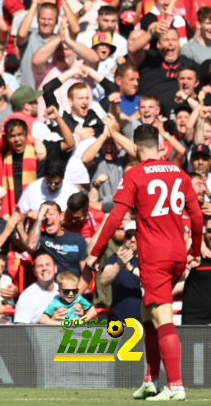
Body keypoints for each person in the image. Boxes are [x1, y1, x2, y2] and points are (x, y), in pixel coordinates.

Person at [88, 124, 203, 401]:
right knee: (147, 316)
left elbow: (116, 217)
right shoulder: (180, 173)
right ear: (161, 146)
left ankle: (175, 385)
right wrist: (195, 249)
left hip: (155, 256)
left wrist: (97, 250)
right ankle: (150, 381)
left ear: (136, 148)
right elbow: (197, 216)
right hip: (176, 254)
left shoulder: (135, 174)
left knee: (162, 317)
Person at [25, 201, 88, 282]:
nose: (47, 218)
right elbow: (31, 246)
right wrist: (40, 216)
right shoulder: (40, 238)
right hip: (49, 290)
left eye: (51, 214)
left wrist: (75, 294)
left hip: (72, 289)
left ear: (61, 217)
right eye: (44, 215)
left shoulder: (77, 238)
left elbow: (86, 274)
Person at [100, 221, 142, 322]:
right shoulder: (115, 258)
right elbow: (104, 281)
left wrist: (130, 268)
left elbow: (154, 280)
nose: (132, 239)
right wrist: (119, 264)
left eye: (136, 235)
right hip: (119, 322)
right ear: (124, 238)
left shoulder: (151, 260)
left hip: (146, 323)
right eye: (128, 236)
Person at [14, 252, 61, 324]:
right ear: (34, 272)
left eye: (48, 264)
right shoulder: (27, 296)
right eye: (40, 266)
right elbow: (20, 330)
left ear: (55, 269)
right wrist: (49, 321)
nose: (44, 268)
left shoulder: (64, 291)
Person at [182, 216, 211, 325]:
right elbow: (177, 281)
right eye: (210, 231)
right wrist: (186, 263)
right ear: (204, 232)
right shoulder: (193, 255)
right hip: (194, 320)